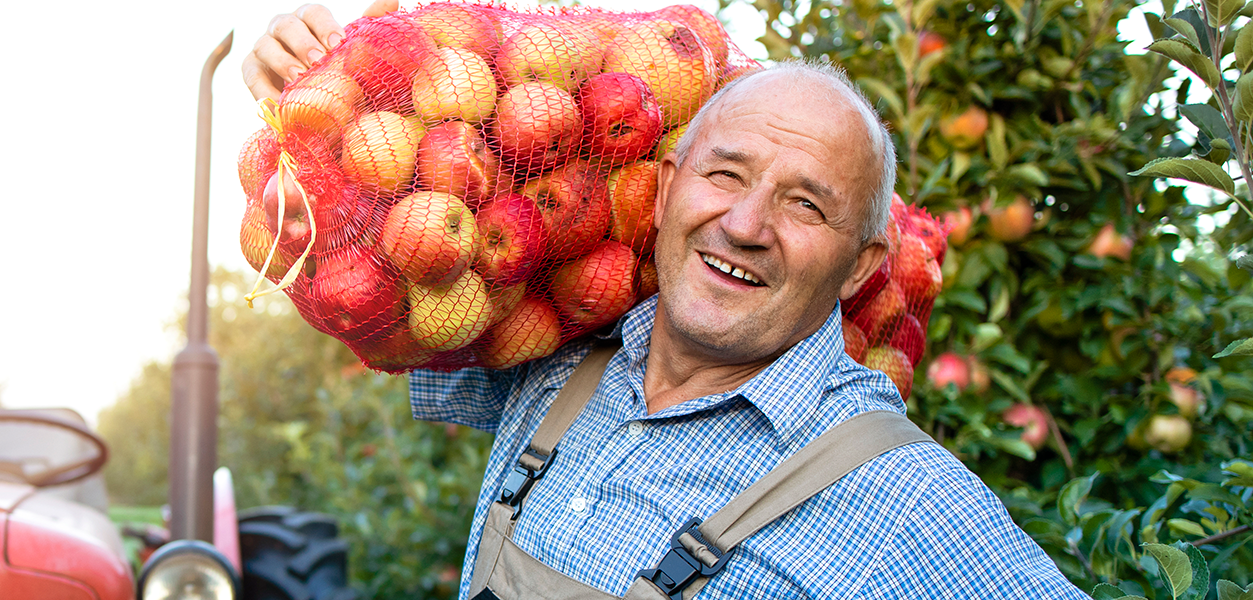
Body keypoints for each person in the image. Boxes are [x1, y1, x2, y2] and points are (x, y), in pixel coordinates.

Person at [245, 4, 1089, 599]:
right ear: (670, 184)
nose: (747, 225)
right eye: (725, 174)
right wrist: (311, 87)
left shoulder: (904, 506)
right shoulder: (556, 360)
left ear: (862, 265)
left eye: (807, 205)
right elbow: (390, 292)